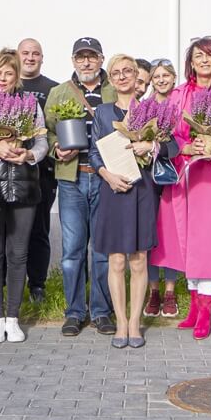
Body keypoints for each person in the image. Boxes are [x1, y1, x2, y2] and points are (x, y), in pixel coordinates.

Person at [152, 37, 211, 340]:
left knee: (208, 245)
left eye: (210, 56)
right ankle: (193, 308)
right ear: (190, 62)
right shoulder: (178, 95)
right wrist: (187, 146)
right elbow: (168, 132)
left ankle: (205, 312)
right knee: (185, 243)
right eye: (198, 56)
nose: (204, 60)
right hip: (184, 175)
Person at [92, 54, 177, 349]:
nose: (122, 76)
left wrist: (151, 145)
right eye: (116, 72)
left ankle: (135, 325)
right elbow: (93, 153)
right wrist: (107, 175)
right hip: (113, 190)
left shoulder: (153, 109)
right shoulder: (102, 113)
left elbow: (174, 145)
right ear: (111, 79)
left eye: (128, 71)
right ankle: (120, 324)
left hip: (143, 191)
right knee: (116, 260)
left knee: (139, 260)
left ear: (138, 77)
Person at [0, 49, 47, 344]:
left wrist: (29, 154)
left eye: (9, 73)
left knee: (19, 254)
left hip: (24, 186)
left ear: (17, 77)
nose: (3, 79)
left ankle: (13, 319)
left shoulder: (30, 105)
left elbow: (42, 142)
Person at [46, 37, 114, 337]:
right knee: (72, 251)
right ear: (73, 61)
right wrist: (55, 148)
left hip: (105, 178)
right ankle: (74, 312)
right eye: (80, 57)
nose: (86, 62)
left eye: (92, 57)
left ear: (101, 59)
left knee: (101, 249)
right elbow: (45, 132)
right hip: (71, 179)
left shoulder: (115, 90)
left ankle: (101, 311)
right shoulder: (59, 93)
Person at [17, 38, 58, 302]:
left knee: (39, 229)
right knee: (9, 232)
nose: (30, 58)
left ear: (42, 58)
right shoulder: (5, 87)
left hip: (43, 171)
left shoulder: (53, 88)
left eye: (36, 54)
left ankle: (38, 285)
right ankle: (7, 286)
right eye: (25, 53)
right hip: (8, 172)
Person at [144, 58, 183, 317]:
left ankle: (170, 291)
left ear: (173, 77)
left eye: (165, 75)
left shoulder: (181, 105)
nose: (161, 80)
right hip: (147, 177)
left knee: (170, 235)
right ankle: (153, 291)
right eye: (156, 76)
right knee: (148, 235)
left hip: (174, 176)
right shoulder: (143, 107)